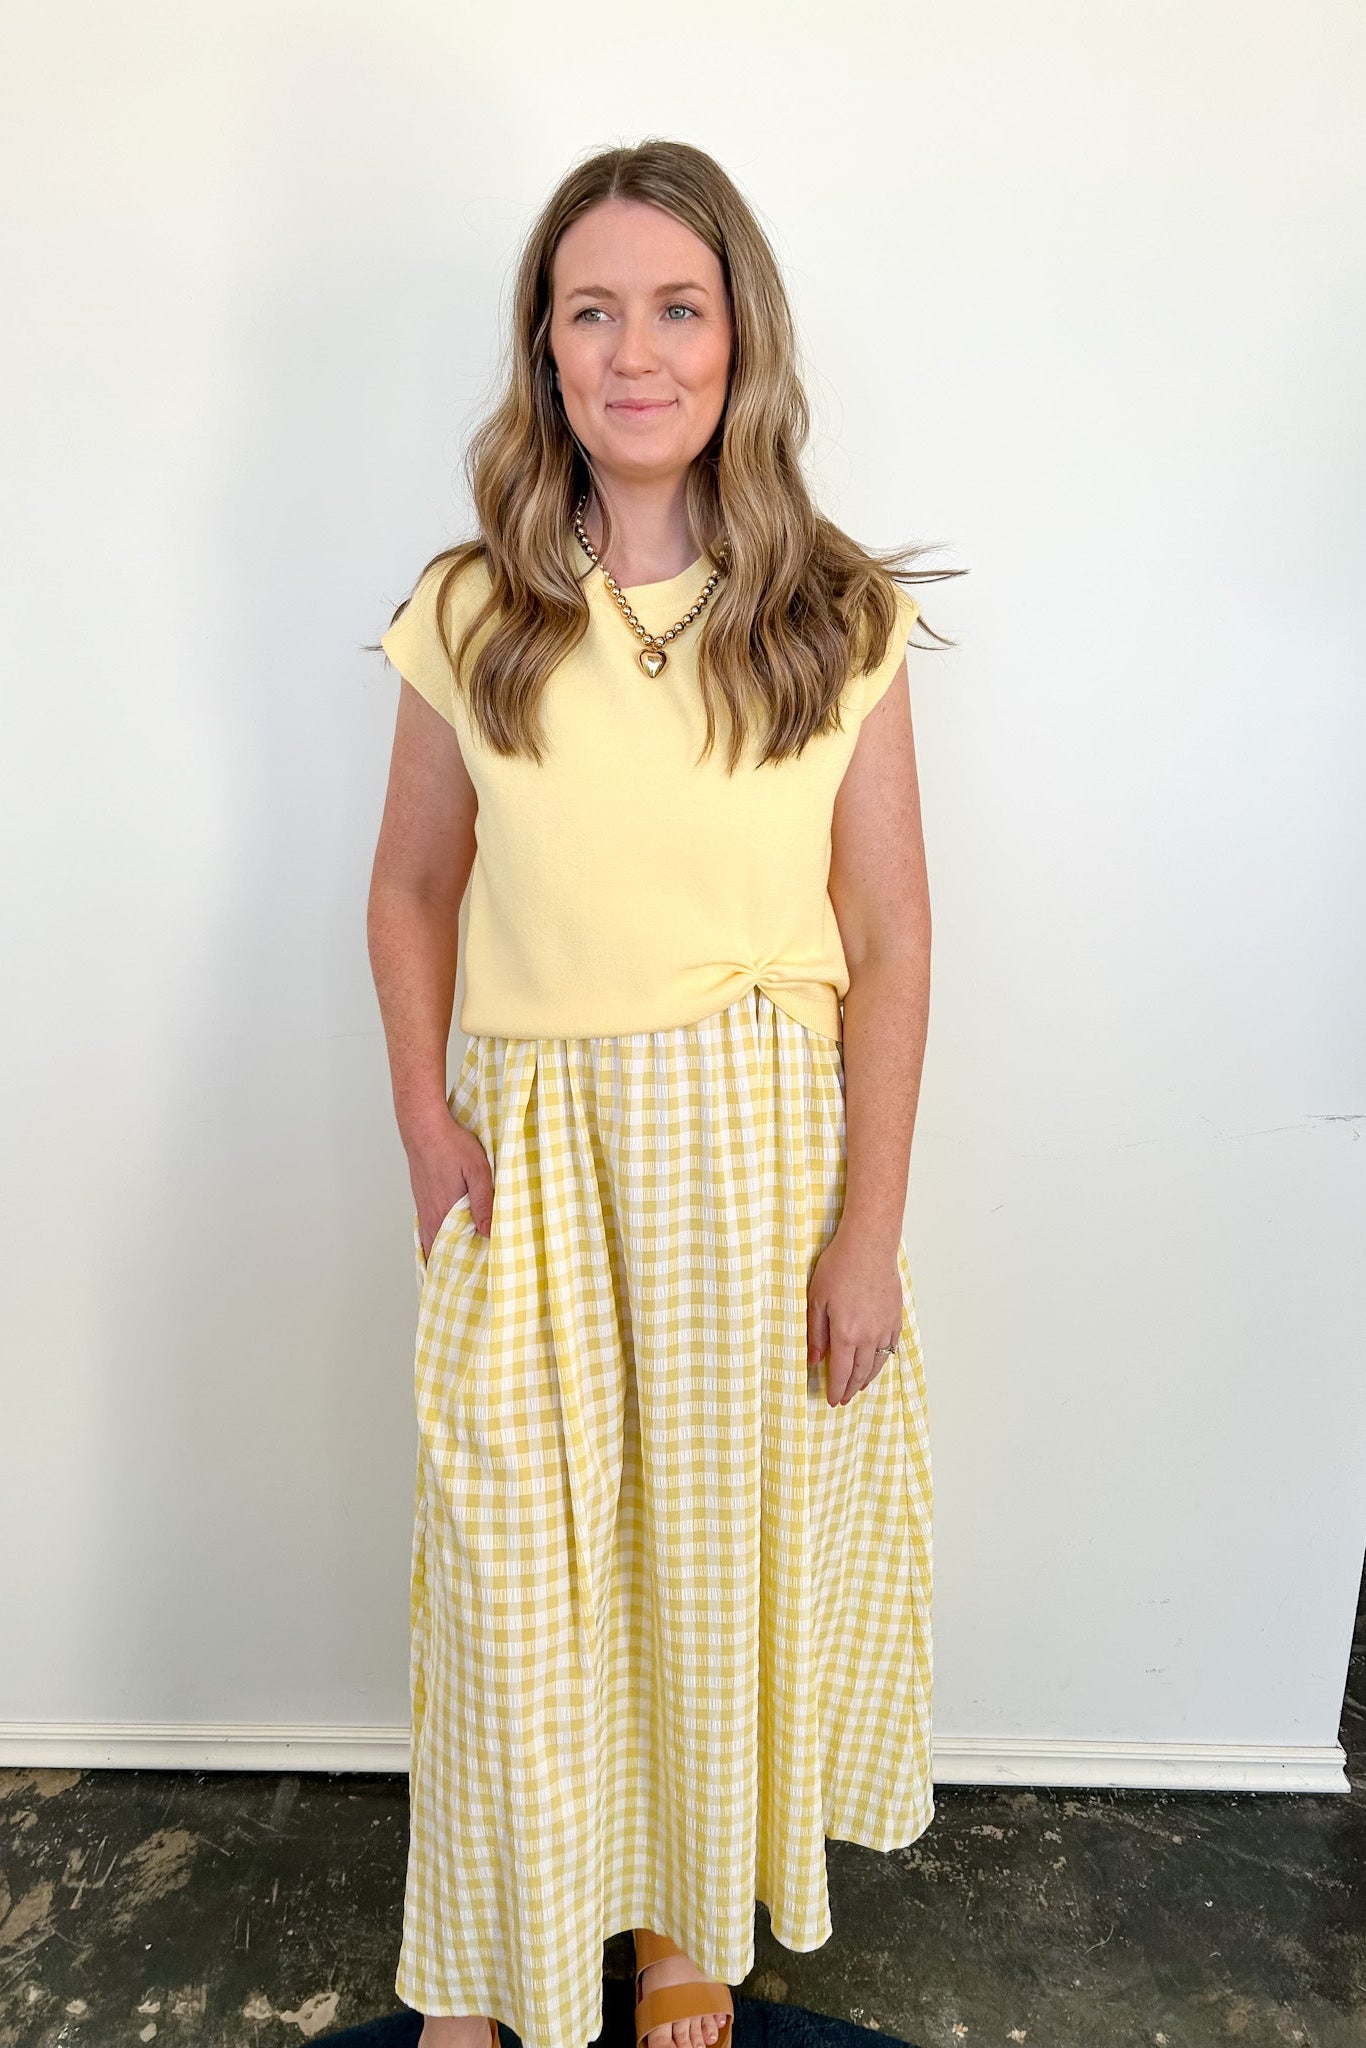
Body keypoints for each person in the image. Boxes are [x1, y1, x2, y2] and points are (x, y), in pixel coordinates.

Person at [368, 137, 943, 2048]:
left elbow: (890, 933)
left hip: (753, 1154)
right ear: (543, 347)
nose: (635, 352)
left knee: (700, 1574)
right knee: (514, 1569)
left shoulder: (832, 616)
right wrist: (425, 1121)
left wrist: (868, 1231)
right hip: (531, 1147)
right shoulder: (474, 609)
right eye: (591, 310)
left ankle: (681, 1926)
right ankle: (486, 1953)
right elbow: (412, 885)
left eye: (676, 309)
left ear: (736, 338)